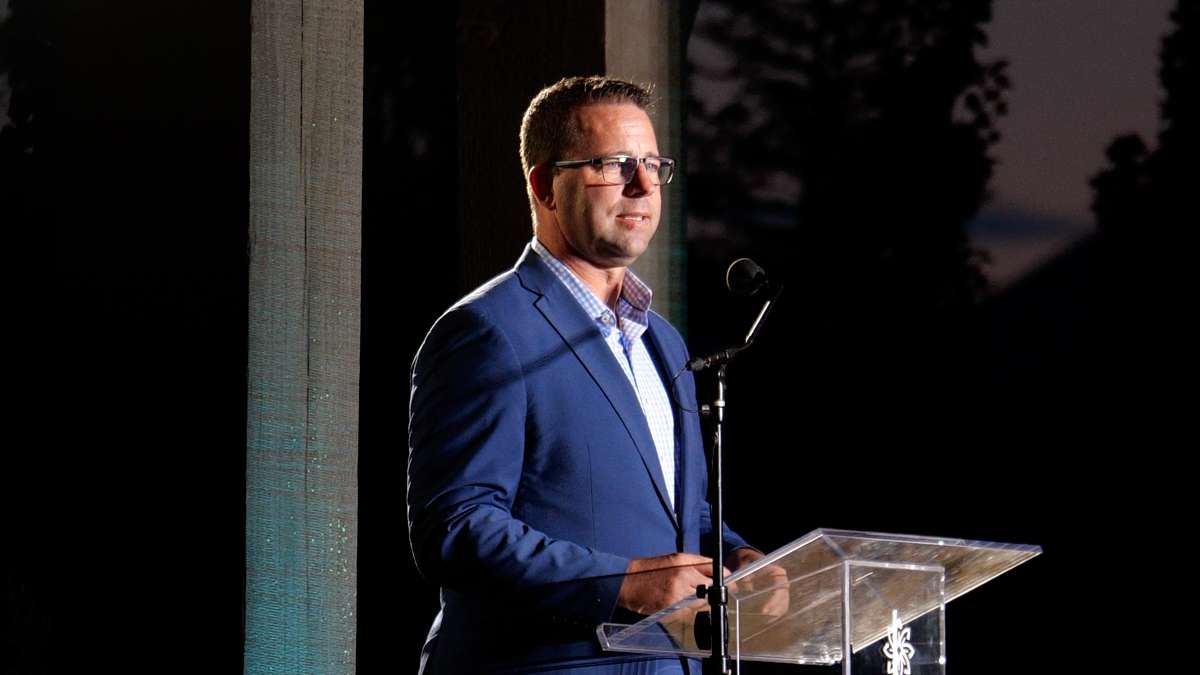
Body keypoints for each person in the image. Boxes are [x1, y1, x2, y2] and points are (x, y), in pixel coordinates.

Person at [408, 75, 763, 675]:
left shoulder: (663, 341)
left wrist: (738, 557)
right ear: (546, 185)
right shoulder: (487, 331)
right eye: (615, 163)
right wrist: (622, 582)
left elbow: (680, 509)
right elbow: (456, 527)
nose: (644, 184)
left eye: (653, 163)